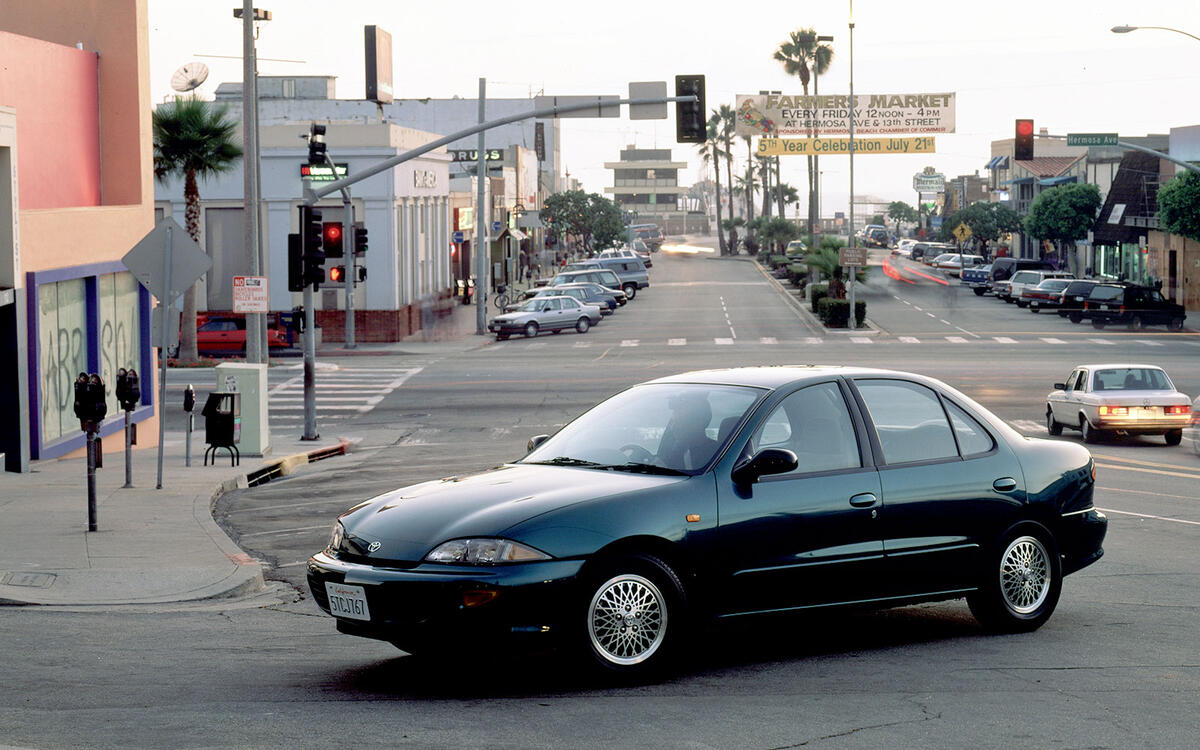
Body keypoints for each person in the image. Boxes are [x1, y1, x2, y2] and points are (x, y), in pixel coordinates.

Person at [658, 393, 717, 471]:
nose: (673, 427)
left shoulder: (714, 454)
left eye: (680, 421)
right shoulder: (674, 451)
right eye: (672, 422)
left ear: (699, 423)